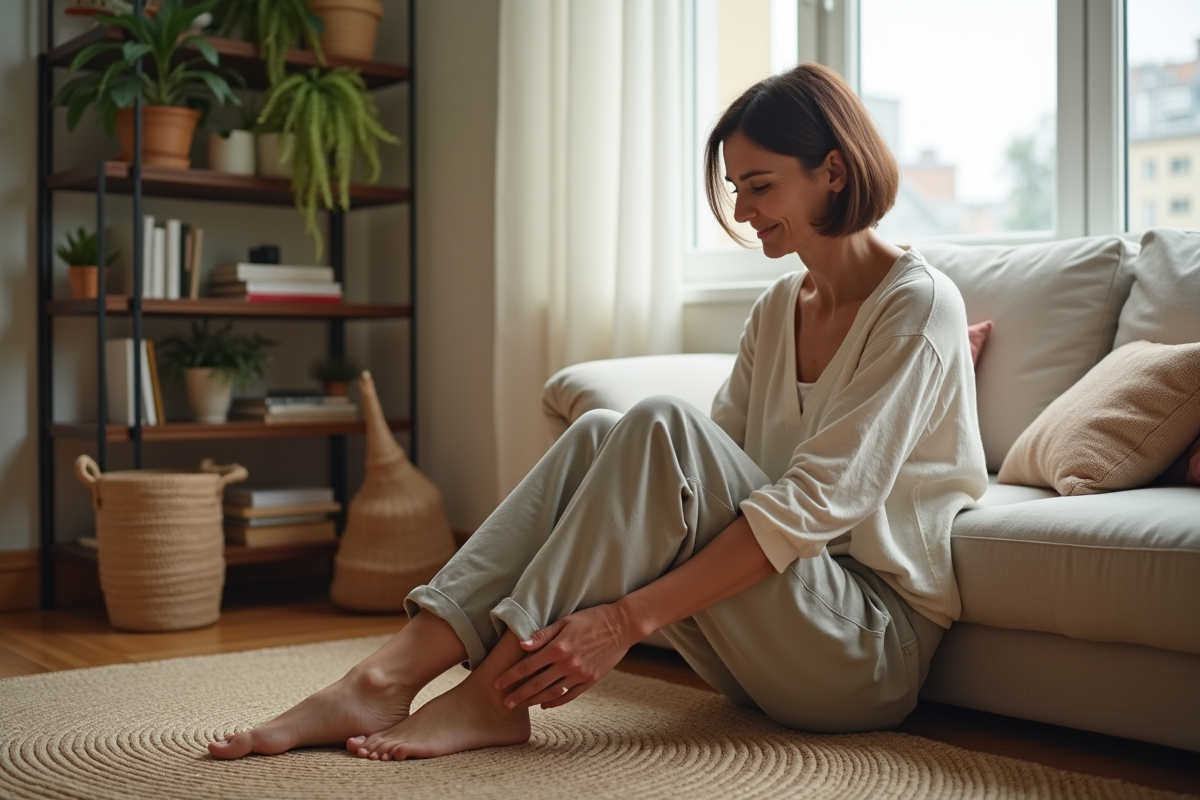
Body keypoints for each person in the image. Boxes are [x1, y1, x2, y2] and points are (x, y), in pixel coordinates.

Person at [208, 62, 987, 763]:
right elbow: (705, 474)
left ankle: (492, 696)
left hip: (864, 653)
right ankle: (379, 677)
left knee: (658, 426)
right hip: (764, 645)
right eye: (736, 189)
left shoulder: (918, 308)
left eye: (761, 185)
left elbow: (812, 504)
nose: (745, 211)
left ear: (833, 171)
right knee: (601, 433)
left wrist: (623, 622)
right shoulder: (779, 306)